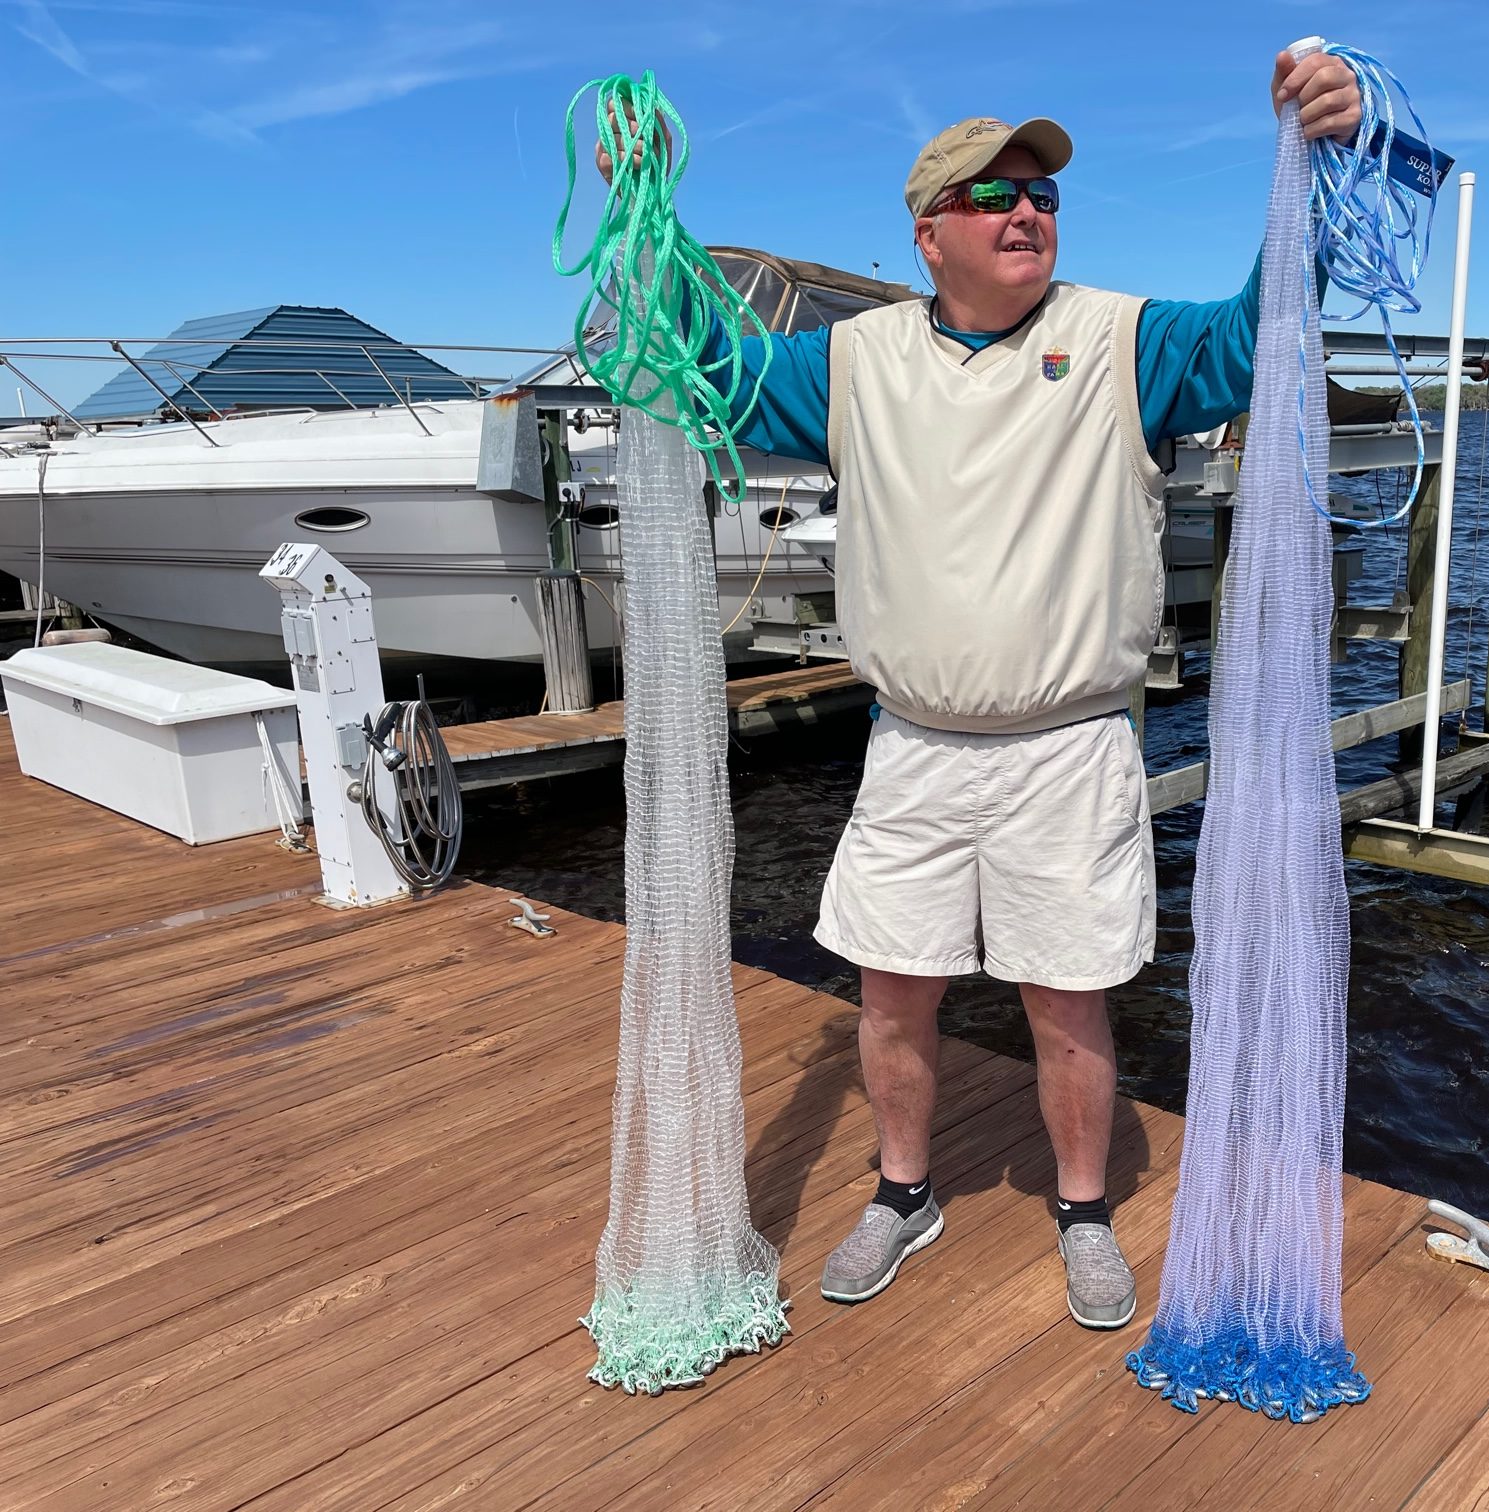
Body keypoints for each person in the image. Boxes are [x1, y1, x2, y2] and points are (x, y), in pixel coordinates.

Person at [601, 49, 1362, 1330]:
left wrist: (1316, 161)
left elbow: (1261, 329)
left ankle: (1080, 1209)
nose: (1027, 212)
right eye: (993, 195)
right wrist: (642, 214)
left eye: (1045, 196)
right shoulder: (854, 362)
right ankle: (906, 1192)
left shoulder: (1122, 341)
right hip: (914, 746)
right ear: (928, 233)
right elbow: (699, 368)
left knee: (1069, 1002)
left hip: (1069, 746)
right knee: (891, 991)